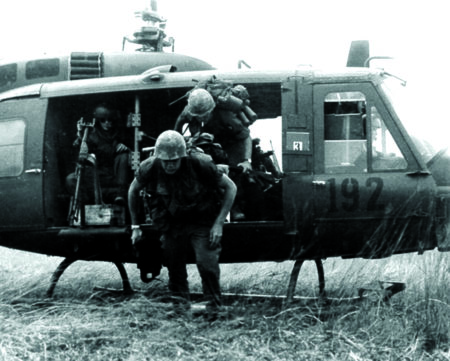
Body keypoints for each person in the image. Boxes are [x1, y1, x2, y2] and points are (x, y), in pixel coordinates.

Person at [128, 130, 236, 315]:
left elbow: (230, 187)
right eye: (166, 161)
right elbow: (132, 190)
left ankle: (214, 310)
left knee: (206, 263)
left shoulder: (200, 163)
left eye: (174, 161)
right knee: (173, 264)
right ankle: (180, 309)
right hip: (172, 223)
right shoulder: (150, 166)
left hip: (201, 221)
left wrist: (218, 223)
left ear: (183, 157)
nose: (170, 165)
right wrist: (135, 227)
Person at [174, 88, 253, 220]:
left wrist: (246, 160)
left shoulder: (226, 116)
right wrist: (181, 142)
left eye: (205, 115)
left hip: (230, 143)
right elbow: (176, 131)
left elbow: (245, 137)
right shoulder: (188, 112)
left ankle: (235, 207)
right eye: (198, 116)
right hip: (205, 145)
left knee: (235, 170)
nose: (201, 118)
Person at [66, 103, 130, 205]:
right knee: (71, 179)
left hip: (111, 178)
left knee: (123, 156)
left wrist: (124, 147)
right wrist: (80, 134)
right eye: (103, 120)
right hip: (94, 176)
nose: (107, 123)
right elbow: (81, 152)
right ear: (98, 121)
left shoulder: (120, 136)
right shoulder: (92, 136)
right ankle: (84, 208)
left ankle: (119, 195)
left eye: (110, 120)